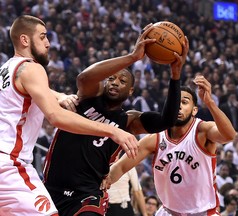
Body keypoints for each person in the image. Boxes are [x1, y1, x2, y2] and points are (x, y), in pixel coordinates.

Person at [0, 15, 140, 216]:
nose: (48, 43)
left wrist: (60, 96)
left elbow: (31, 92)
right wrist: (113, 131)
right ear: (25, 40)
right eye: (42, 37)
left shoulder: (7, 69)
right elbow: (56, 117)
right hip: (9, 165)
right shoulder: (32, 67)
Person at [43, 25, 189, 215]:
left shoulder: (129, 120)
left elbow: (166, 121)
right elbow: (84, 78)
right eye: (111, 78)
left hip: (87, 194)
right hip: (51, 186)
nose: (115, 82)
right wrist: (132, 58)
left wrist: (175, 76)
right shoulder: (88, 97)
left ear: (130, 91)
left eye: (122, 81)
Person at [101, 75, 236, 215]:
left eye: (184, 102)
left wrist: (210, 103)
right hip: (169, 212)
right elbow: (121, 166)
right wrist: (100, 184)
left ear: (194, 110)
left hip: (202, 212)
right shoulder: (155, 138)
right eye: (175, 102)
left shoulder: (202, 131)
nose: (178, 106)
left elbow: (229, 136)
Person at [106, 151, 147, 216]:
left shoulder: (128, 166)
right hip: (105, 207)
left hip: (123, 207)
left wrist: (145, 214)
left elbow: (137, 191)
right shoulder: (99, 167)